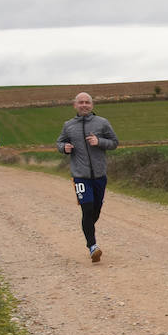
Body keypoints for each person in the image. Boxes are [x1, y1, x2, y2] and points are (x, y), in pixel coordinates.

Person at [57, 92, 119, 262]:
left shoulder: (102, 123)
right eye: (80, 102)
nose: (84, 105)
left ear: (92, 105)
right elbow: (59, 143)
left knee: (95, 211)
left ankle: (89, 233)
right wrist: (65, 148)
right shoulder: (68, 125)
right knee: (87, 208)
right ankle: (92, 246)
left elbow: (114, 143)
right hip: (80, 176)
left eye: (87, 102)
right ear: (74, 105)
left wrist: (99, 141)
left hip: (99, 175)